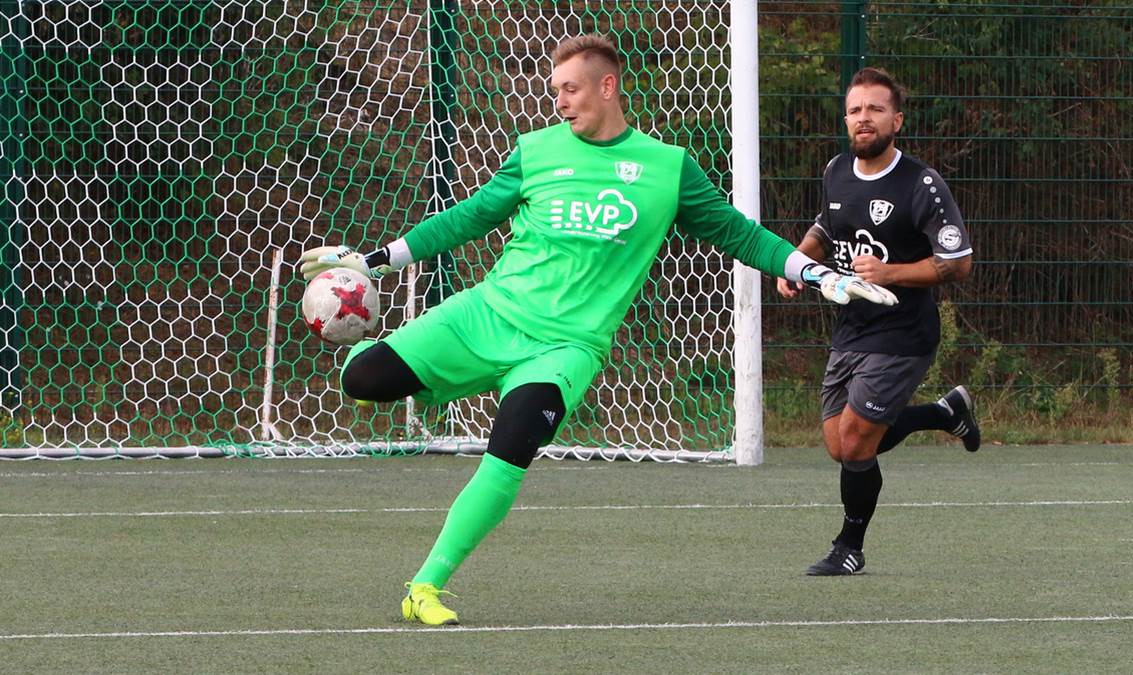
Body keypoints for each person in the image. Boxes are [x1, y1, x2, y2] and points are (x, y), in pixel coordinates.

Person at [299, 35, 896, 625]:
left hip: (565, 350)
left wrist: (818, 274)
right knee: (364, 377)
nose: (559, 100)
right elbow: (470, 217)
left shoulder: (667, 170)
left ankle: (425, 586)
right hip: (487, 314)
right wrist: (372, 262)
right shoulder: (535, 151)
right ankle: (449, 377)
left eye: (570, 88)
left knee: (510, 450)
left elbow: (739, 235)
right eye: (554, 90)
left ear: (607, 87)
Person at [775, 67, 981, 576]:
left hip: (904, 332)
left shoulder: (921, 183)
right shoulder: (836, 170)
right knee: (838, 444)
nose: (863, 118)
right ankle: (943, 413)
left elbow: (958, 263)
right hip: (851, 327)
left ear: (897, 119)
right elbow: (827, 226)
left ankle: (850, 547)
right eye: (854, 110)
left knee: (856, 442)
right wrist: (797, 262)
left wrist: (892, 273)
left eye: (875, 109)